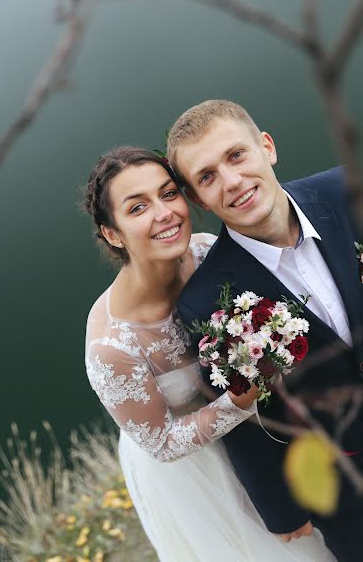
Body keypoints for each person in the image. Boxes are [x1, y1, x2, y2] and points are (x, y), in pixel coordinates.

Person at [83, 145, 335, 561]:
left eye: (168, 194)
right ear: (112, 233)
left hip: (268, 434)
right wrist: (238, 402)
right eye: (137, 207)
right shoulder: (112, 347)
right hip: (200, 472)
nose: (164, 213)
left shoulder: (205, 252)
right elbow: (162, 444)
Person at [168, 99, 363, 562]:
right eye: (207, 177)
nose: (232, 182)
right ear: (197, 199)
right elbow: (242, 417)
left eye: (236, 156)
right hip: (349, 488)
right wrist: (279, 509)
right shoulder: (206, 302)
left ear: (266, 147)